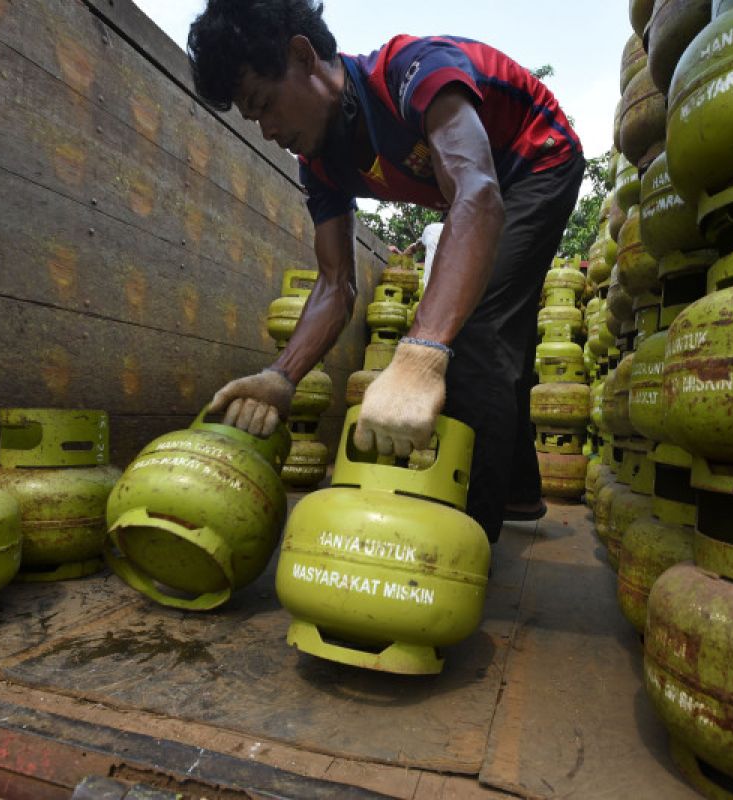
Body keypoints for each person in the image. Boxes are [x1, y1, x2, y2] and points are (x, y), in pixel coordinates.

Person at [190, 0, 583, 542]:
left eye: (265, 105)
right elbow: (335, 284)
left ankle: (463, 538)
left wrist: (421, 355)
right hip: (481, 190)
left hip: (536, 158)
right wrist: (281, 376)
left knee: (473, 329)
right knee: (491, 329)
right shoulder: (320, 164)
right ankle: (516, 489)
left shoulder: (409, 71)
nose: (267, 130)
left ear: (302, 57)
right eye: (253, 119)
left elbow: (477, 192)